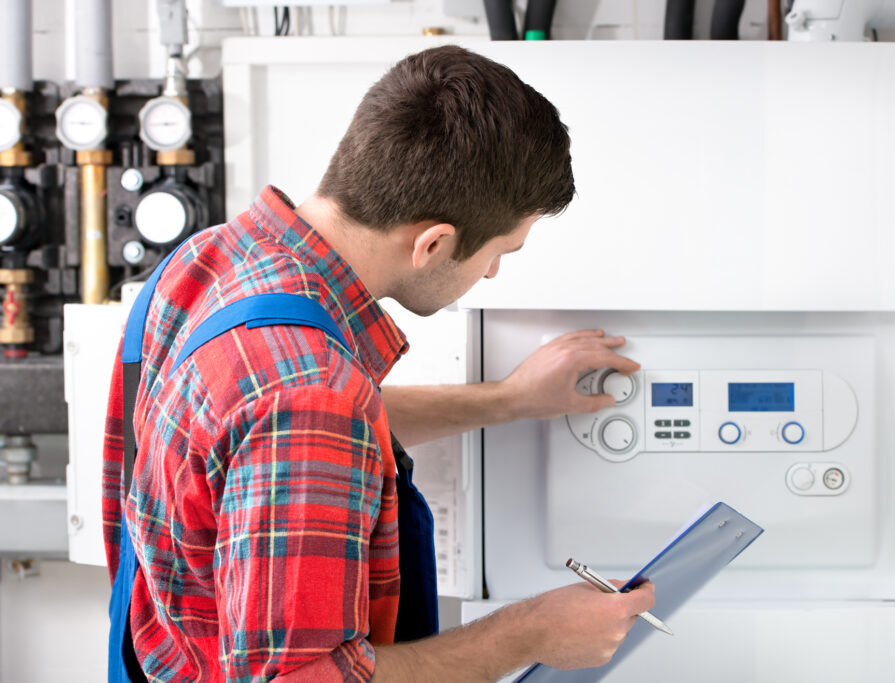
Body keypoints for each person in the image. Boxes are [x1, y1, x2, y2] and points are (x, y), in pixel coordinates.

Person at [102, 45, 651, 682]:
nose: (494, 271)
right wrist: (528, 633)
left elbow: (258, 434)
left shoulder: (209, 262)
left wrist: (509, 399)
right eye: (500, 251)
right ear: (435, 244)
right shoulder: (310, 393)